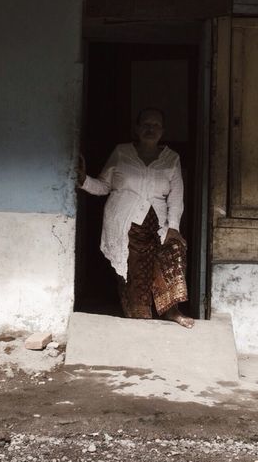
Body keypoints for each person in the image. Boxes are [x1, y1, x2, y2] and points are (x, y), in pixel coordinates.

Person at [77, 107, 193, 328]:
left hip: (158, 225)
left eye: (156, 125)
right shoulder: (122, 153)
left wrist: (173, 227)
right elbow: (104, 186)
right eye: (146, 124)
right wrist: (84, 181)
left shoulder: (171, 159)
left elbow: (176, 198)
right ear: (137, 129)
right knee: (134, 271)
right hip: (125, 225)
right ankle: (139, 315)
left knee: (174, 250)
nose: (151, 129)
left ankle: (172, 311)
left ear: (163, 130)